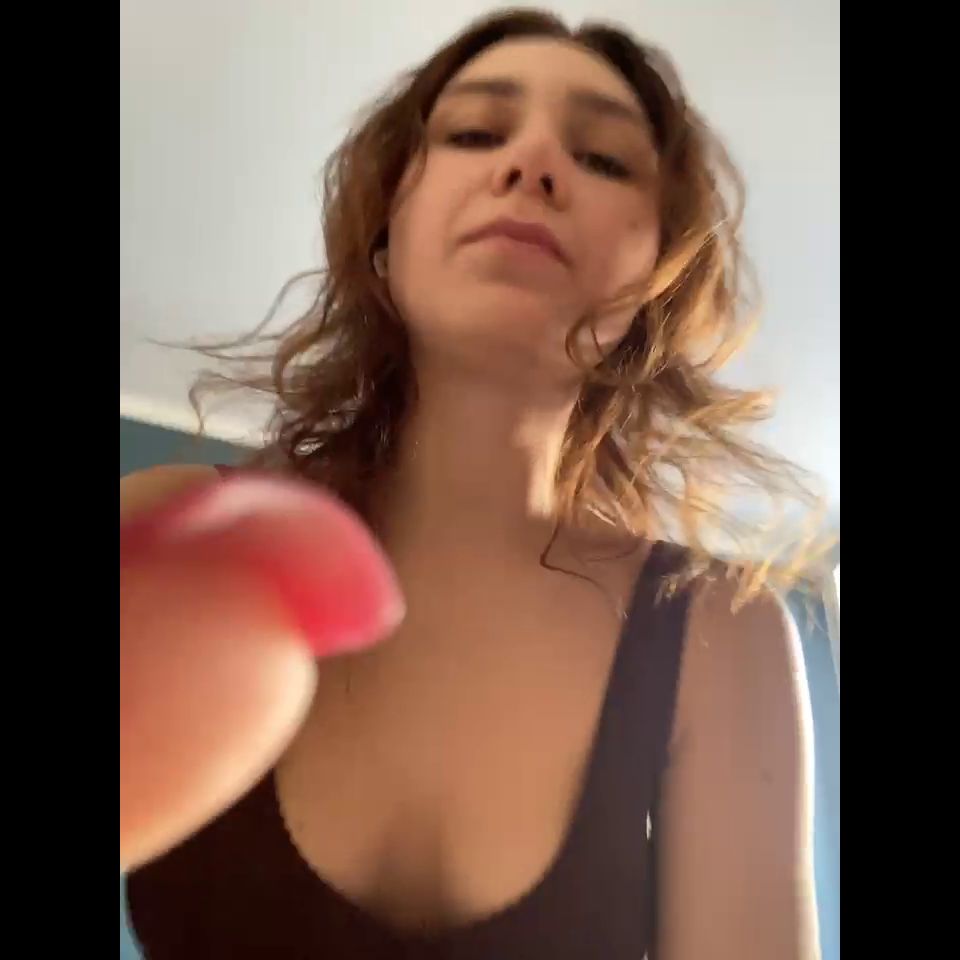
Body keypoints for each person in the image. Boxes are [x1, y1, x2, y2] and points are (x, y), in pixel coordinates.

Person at [120, 9, 821, 958]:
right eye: (475, 133)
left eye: (604, 158)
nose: (533, 162)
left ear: (653, 276)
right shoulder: (174, 532)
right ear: (388, 230)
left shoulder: (722, 636)